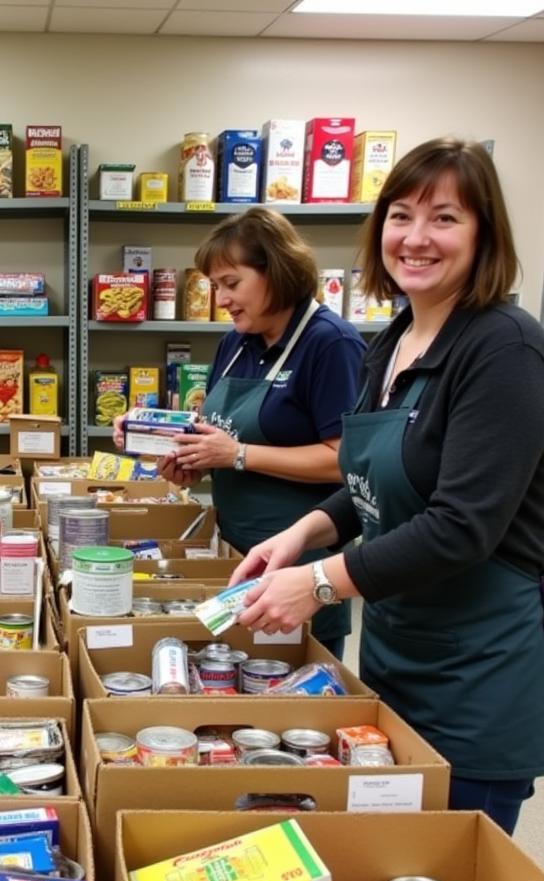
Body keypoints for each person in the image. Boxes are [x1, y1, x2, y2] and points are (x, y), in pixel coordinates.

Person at [230, 138, 544, 834]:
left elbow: (461, 524)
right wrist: (302, 534)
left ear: (484, 233)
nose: (417, 238)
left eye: (445, 218)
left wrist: (316, 585)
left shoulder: (505, 349)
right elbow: (369, 480)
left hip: (476, 679)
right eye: (401, 216)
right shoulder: (391, 340)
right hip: (396, 655)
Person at [114, 207, 365, 657]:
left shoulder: (330, 343)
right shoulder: (235, 342)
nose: (222, 299)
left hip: (299, 563)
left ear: (278, 271)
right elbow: (220, 441)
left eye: (232, 283)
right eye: (214, 287)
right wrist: (181, 457)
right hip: (234, 552)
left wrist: (237, 455)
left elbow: (347, 461)